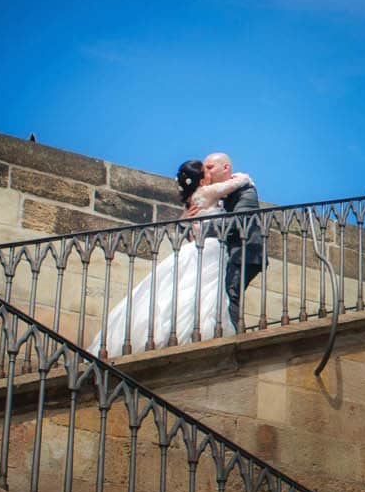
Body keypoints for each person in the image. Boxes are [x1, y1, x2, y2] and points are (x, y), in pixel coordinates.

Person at [90, 160, 254, 358]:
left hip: (209, 249)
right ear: (202, 180)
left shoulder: (196, 198)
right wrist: (243, 177)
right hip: (209, 249)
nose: (210, 173)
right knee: (198, 290)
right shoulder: (205, 193)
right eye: (206, 170)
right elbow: (237, 183)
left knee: (200, 290)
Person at [204, 152, 267, 331]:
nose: (206, 172)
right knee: (221, 294)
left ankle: (236, 336)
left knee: (231, 292)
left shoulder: (246, 189)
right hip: (225, 254)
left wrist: (202, 230)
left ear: (226, 168)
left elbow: (239, 220)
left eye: (210, 167)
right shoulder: (216, 193)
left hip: (245, 252)